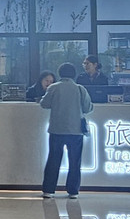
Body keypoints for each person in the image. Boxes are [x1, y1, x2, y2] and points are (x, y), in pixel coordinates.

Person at [39, 62, 93, 199]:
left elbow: (44, 104)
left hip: (56, 129)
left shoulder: (53, 88)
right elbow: (87, 108)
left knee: (53, 160)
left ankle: (48, 190)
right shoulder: (80, 89)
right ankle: (73, 191)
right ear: (74, 74)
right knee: (74, 162)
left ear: (60, 73)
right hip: (76, 131)